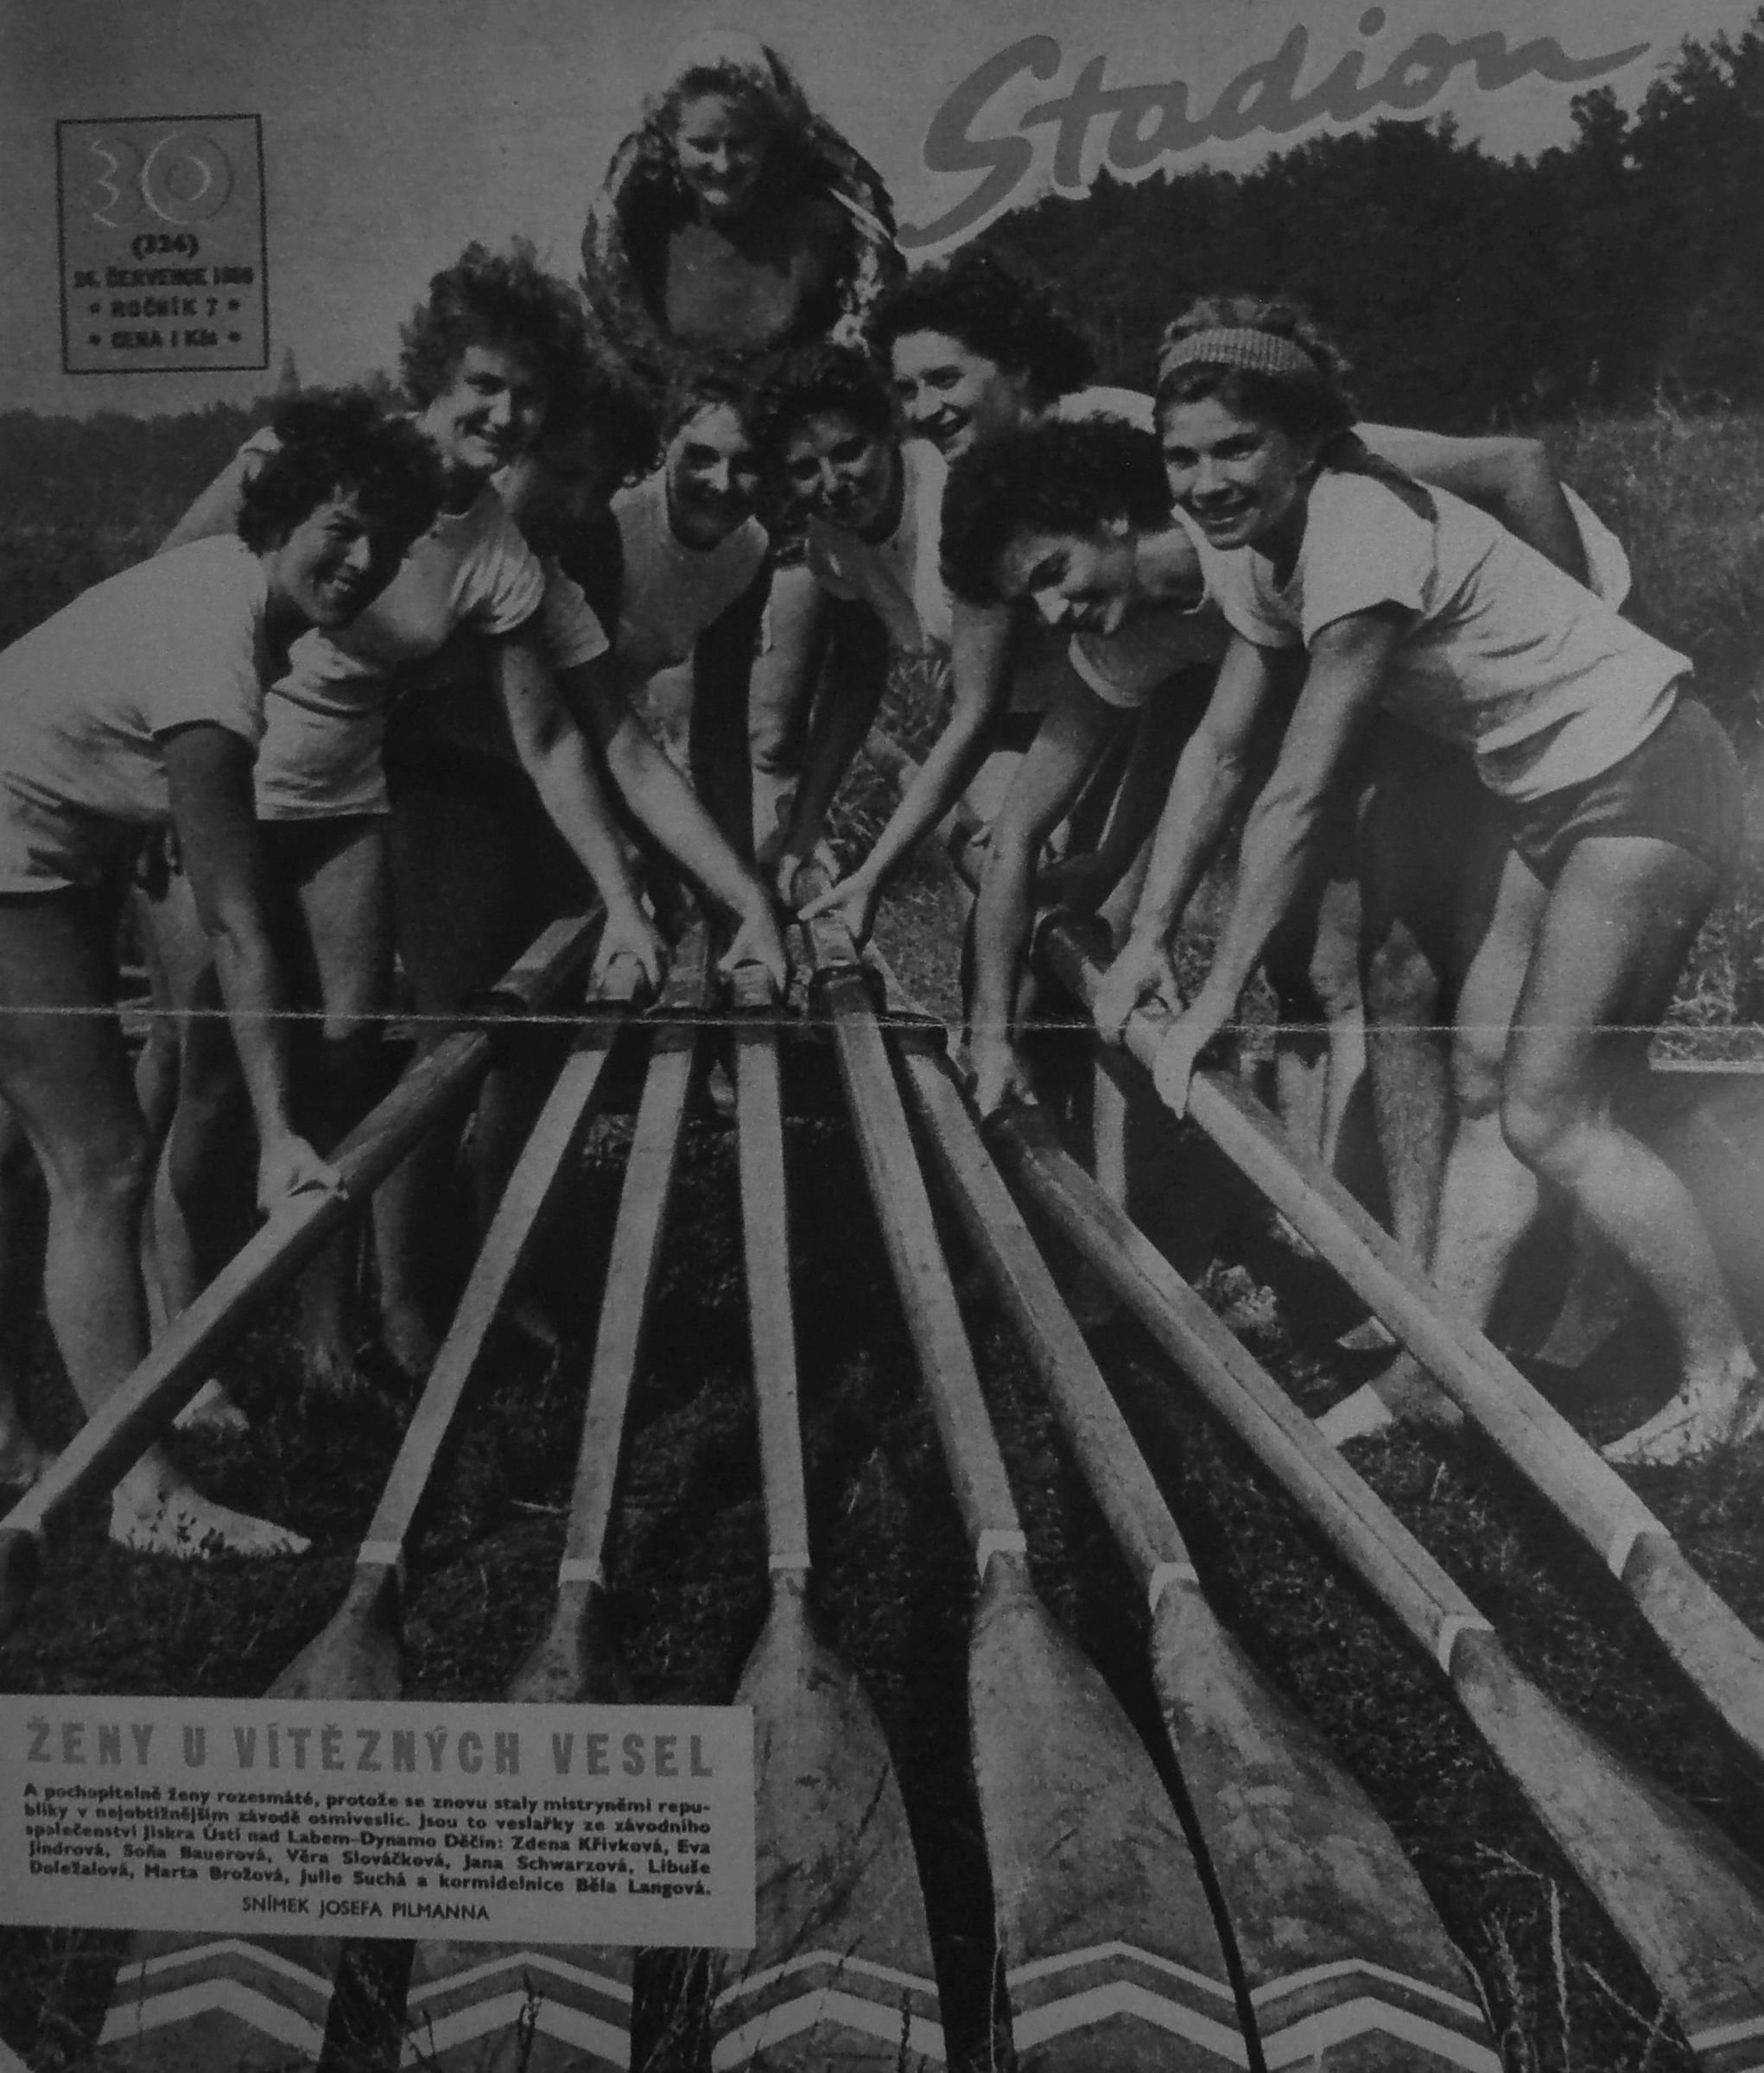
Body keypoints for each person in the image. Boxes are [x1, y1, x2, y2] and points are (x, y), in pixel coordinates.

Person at [1077, 298, 1754, 1467]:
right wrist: (1145, 939)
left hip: (1647, 770)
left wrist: (1213, 998)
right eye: (1181, 458)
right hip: (1546, 786)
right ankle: (1437, 1376)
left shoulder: (1356, 529)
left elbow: (1296, 792)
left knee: (1548, 1112)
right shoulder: (1256, 557)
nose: (1207, 481)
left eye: (1236, 449)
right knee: (1484, 1076)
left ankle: (1723, 1377)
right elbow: (1220, 754)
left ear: (1303, 444)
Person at [143, 245, 786, 1398]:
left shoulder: (490, 541)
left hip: (340, 795)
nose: (503, 413)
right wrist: (144, 771)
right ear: (434, 376)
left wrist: (671, 898)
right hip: (212, 779)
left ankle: (325, 1329)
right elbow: (160, 584)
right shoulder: (309, 457)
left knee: (347, 1057)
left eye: (525, 396)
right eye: (484, 386)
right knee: (214, 1080)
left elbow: (569, 742)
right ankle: (182, 1358)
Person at [0, 391, 442, 1548]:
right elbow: (238, 922)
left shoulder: (232, 603)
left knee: (32, 1156)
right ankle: (143, 1491)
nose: (362, 562)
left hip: (39, 838)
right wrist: (281, 1132)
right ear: (281, 515)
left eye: (388, 541)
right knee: (101, 1164)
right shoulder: (217, 650)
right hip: (9, 849)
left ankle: (13, 1441)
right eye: (340, 529)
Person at [581, 30, 901, 389]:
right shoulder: (649, 235)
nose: (722, 165)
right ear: (671, 141)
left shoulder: (820, 228)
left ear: (769, 140)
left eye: (739, 144)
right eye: (703, 145)